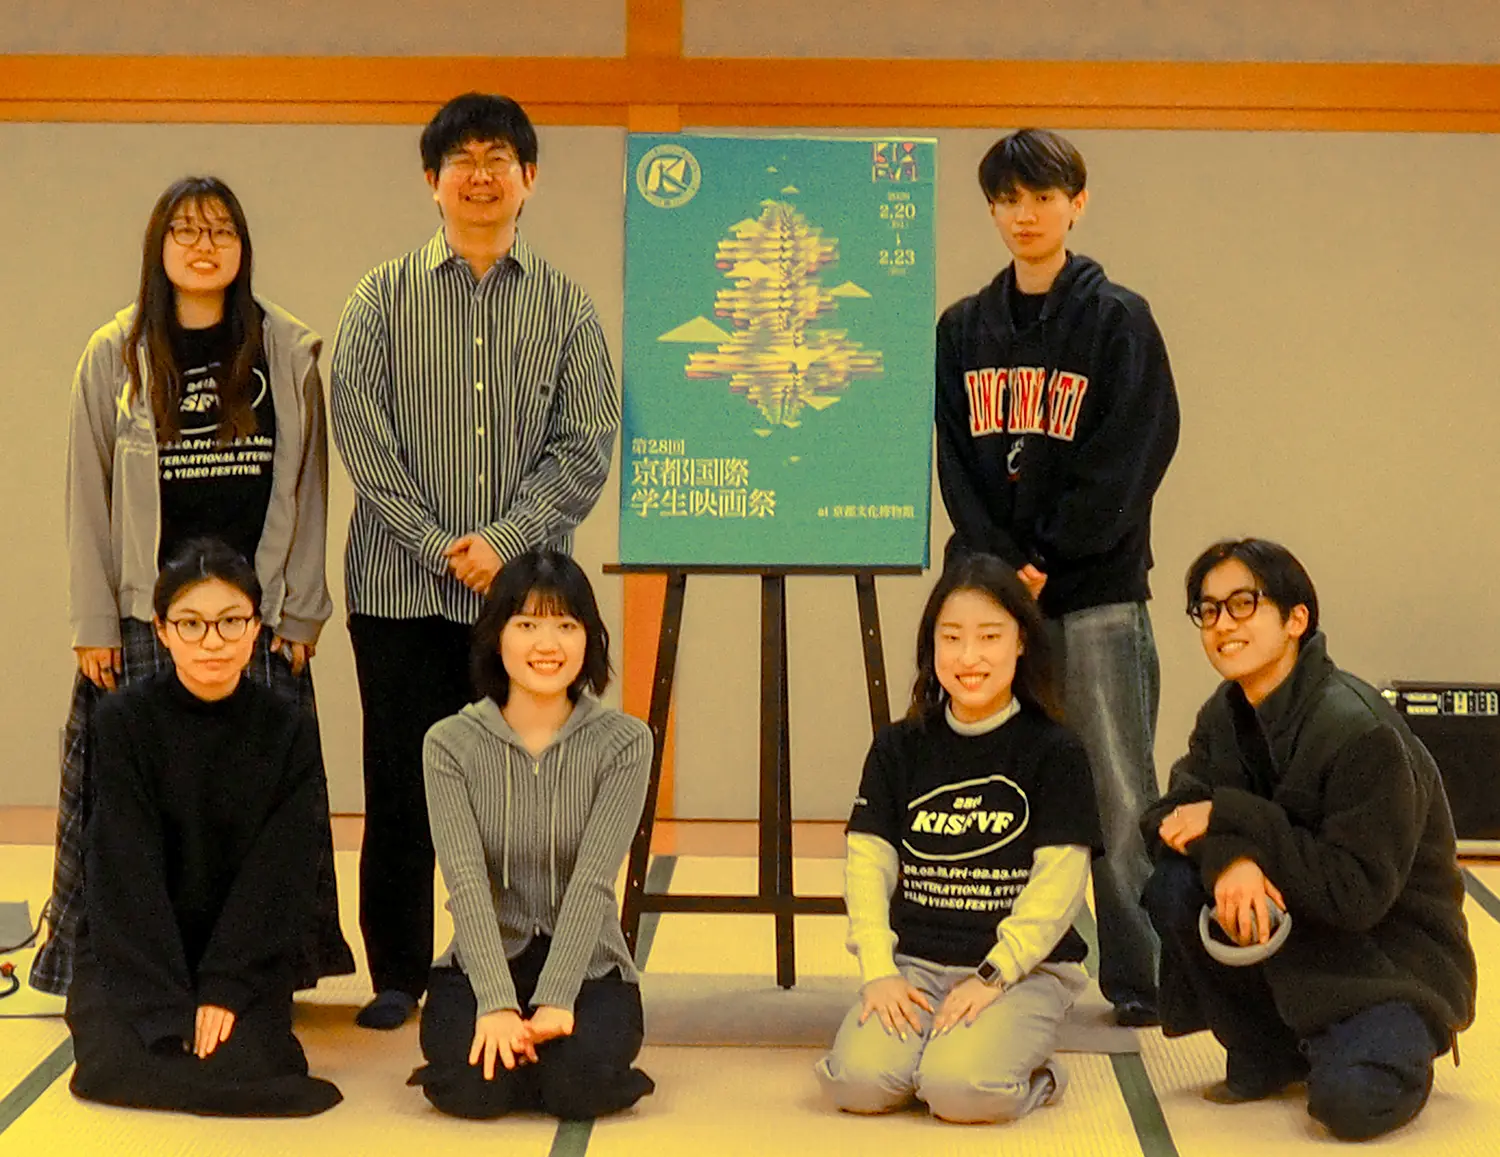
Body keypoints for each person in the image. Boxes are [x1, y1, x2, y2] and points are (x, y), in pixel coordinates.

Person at [331, 92, 619, 1029]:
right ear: (432, 180)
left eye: (500, 157)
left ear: (529, 178)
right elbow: (361, 431)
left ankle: (525, 955)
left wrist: (505, 544)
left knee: (528, 782)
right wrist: (433, 542)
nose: (482, 174)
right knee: (402, 780)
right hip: (396, 589)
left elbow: (586, 442)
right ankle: (398, 972)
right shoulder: (380, 296)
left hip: (524, 602)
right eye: (463, 159)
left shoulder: (566, 306)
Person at [39, 175, 353, 997]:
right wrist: (94, 620)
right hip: (150, 617)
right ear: (159, 246)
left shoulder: (285, 349)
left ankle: (263, 967)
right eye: (185, 230)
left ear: (243, 247)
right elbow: (86, 494)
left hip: (256, 617)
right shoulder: (115, 352)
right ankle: (121, 962)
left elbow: (311, 489)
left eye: (220, 230)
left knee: (262, 799)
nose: (203, 245)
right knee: (133, 800)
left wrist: (301, 611)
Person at [934, 128, 1179, 1026]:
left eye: (1042, 197)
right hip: (993, 601)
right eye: (1008, 199)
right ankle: (1007, 965)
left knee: (1116, 790)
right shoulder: (962, 327)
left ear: (1078, 203)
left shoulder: (1119, 319)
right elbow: (956, 462)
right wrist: (1003, 566)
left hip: (1095, 592)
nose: (1025, 214)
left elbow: (1134, 453)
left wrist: (1048, 554)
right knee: (995, 785)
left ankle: (1147, 977)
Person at [1140, 539, 1477, 1141]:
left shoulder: (1361, 732)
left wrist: (1233, 815)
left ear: (1297, 619)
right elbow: (1168, 817)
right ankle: (1269, 1047)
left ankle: (1389, 1041)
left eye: (1243, 604)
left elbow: (1355, 895)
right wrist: (1232, 861)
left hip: (1387, 961)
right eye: (1208, 610)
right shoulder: (1225, 713)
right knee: (1174, 883)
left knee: (1351, 1106)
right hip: (1300, 938)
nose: (1222, 624)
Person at [816, 552, 1101, 1124]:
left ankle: (1039, 1077)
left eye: (990, 636)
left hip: (1023, 972)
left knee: (960, 1091)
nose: (969, 657)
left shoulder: (1057, 751)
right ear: (932, 646)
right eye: (952, 638)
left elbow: (1060, 886)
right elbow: (867, 865)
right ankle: (935, 1054)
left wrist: (995, 974)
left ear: (1021, 642)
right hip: (916, 965)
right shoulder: (898, 747)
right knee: (857, 1084)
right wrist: (879, 971)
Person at [66, 539, 343, 1117]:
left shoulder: (286, 727)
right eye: (191, 624)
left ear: (255, 628)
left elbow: (281, 873)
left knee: (247, 1061)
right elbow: (122, 869)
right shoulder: (121, 720)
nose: (212, 641)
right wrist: (165, 1006)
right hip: (139, 951)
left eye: (230, 621)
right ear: (162, 631)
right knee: (112, 1064)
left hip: (240, 948)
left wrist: (223, 986)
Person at [407, 549, 654, 1120]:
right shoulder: (449, 743)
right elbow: (466, 883)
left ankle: (550, 1067)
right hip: (485, 958)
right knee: (473, 1088)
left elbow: (594, 880)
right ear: (497, 637)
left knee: (578, 1088)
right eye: (526, 625)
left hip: (589, 963)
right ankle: (527, 1063)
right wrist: (497, 1003)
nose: (548, 644)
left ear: (589, 639)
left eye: (566, 625)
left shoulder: (625, 742)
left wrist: (557, 997)